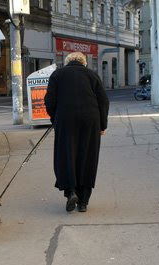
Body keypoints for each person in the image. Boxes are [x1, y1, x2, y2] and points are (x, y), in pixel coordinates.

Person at [44, 52, 109, 212]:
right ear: (84, 63)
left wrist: (55, 119)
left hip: (66, 120)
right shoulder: (92, 75)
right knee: (88, 156)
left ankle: (71, 191)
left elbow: (49, 100)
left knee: (66, 154)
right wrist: (102, 125)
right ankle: (83, 202)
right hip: (90, 120)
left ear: (67, 62)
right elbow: (103, 101)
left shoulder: (57, 75)